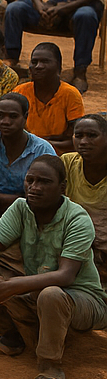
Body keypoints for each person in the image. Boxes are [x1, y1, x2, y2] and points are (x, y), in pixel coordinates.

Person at [0, 155, 107, 379]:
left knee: (51, 294)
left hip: (83, 300)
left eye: (44, 182)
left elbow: (65, 276)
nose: (34, 188)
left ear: (62, 187)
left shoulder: (77, 218)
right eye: (30, 180)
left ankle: (50, 363)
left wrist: (10, 286)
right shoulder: (20, 207)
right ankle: (11, 338)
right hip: (37, 291)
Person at [0, 93, 55, 219]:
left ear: (25, 117)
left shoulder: (42, 149)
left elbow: (46, 194)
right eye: (0, 116)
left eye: (13, 116)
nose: (5, 122)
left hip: (30, 212)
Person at [15, 42, 83, 154]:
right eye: (34, 62)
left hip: (58, 153)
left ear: (59, 67)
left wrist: (41, 144)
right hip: (24, 150)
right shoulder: (20, 91)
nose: (38, 66)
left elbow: (75, 138)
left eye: (45, 62)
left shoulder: (70, 94)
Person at [64, 114, 107, 268]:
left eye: (92, 136)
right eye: (79, 136)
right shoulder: (67, 163)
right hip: (74, 241)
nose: (83, 142)